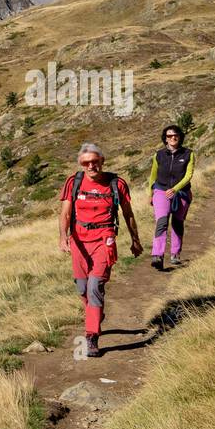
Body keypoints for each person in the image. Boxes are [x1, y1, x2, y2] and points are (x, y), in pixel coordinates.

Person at [59, 143, 143, 357]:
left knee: (95, 284)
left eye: (95, 161)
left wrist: (135, 240)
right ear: (81, 164)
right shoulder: (74, 182)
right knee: (82, 287)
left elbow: (128, 213)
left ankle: (92, 336)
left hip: (104, 239)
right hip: (78, 239)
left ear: (102, 161)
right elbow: (65, 213)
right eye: (86, 163)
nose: (91, 166)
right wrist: (62, 237)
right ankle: (95, 313)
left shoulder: (116, 184)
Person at [147, 124, 194, 269]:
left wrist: (175, 189)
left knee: (177, 223)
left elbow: (188, 175)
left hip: (182, 193)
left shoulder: (188, 154)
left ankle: (175, 253)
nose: (173, 137)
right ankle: (157, 255)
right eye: (169, 136)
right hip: (161, 191)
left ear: (180, 137)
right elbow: (152, 176)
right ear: (165, 139)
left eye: (175, 135)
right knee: (162, 222)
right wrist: (151, 193)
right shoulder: (158, 155)